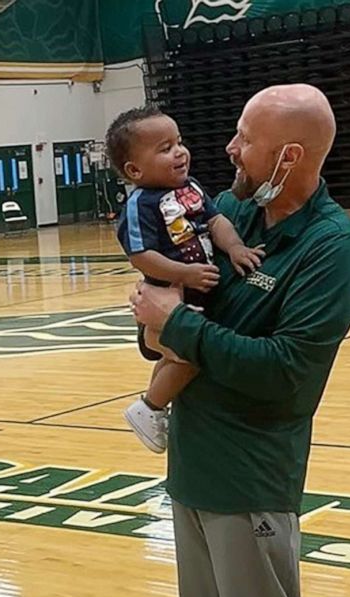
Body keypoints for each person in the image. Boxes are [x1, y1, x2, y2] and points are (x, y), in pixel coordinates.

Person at [130, 84, 350, 597]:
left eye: (245, 140)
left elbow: (285, 374)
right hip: (193, 470)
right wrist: (155, 327)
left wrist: (178, 327)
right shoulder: (230, 210)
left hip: (252, 479)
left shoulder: (332, 247)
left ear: (289, 157)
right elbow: (164, 311)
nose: (229, 149)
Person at [106, 105, 263, 453]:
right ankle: (149, 408)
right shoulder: (139, 205)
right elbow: (140, 255)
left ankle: (155, 408)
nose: (180, 152)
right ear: (135, 169)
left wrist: (236, 248)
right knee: (190, 355)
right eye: (165, 149)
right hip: (168, 297)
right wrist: (184, 273)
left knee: (176, 357)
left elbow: (216, 220)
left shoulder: (191, 187)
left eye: (179, 142)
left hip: (196, 295)